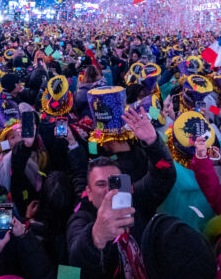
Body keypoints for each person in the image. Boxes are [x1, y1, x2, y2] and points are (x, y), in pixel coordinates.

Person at [66, 108, 176, 279]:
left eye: (114, 182)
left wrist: (153, 143)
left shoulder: (134, 200)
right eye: (100, 184)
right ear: (88, 191)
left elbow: (164, 175)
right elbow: (74, 257)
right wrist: (96, 236)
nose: (108, 191)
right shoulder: (82, 216)